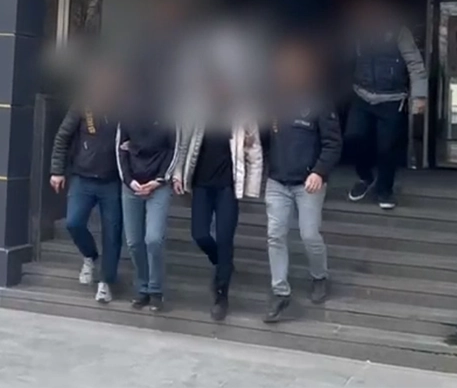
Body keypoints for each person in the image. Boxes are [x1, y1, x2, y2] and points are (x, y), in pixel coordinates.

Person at [263, 39, 342, 323]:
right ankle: (280, 292)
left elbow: (333, 143)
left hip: (308, 182)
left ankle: (319, 276)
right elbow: (260, 138)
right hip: (277, 181)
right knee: (275, 234)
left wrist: (319, 172)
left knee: (309, 234)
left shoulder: (319, 101)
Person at [174, 113, 263, 321]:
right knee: (200, 234)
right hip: (201, 184)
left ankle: (221, 294)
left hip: (227, 187)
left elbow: (254, 149)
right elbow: (183, 144)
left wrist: (251, 187)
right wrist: (178, 174)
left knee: (224, 238)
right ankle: (223, 263)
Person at [344, 0, 427, 210]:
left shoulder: (400, 32)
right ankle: (365, 177)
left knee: (387, 148)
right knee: (353, 138)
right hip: (362, 94)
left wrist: (419, 96)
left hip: (392, 98)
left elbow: (415, 64)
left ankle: (385, 190)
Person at [49, 63, 123, 304]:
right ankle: (90, 256)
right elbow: (63, 137)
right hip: (82, 177)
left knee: (112, 233)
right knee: (73, 222)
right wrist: (57, 171)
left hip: (113, 181)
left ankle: (105, 282)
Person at [116, 115, 180, 312]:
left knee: (153, 239)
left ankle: (155, 290)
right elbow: (119, 150)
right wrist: (129, 181)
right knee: (134, 242)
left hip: (158, 186)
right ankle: (142, 287)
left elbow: (174, 149)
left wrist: (160, 180)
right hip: (131, 186)